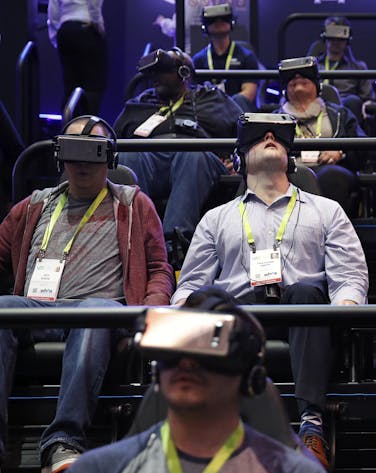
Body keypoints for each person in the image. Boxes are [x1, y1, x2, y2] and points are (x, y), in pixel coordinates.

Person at [171, 113, 369, 469]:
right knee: (213, 302)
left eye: (277, 136)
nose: (268, 136)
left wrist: (347, 306)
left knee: (308, 291)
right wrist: (186, 310)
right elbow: (191, 283)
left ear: (290, 157)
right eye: (259, 137)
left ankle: (311, 424)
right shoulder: (216, 218)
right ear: (239, 157)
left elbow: (349, 277)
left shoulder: (327, 210)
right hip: (239, 314)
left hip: (305, 312)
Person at [0, 115, 174, 472]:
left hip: (99, 312)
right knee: (2, 308)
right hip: (36, 308)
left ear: (109, 158)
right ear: (60, 156)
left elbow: (158, 269)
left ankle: (63, 441)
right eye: (73, 151)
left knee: (96, 311)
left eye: (92, 152)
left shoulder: (133, 205)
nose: (82, 163)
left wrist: (148, 312)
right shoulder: (35, 206)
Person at [67, 286, 324, 473]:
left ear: (248, 376)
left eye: (207, 352)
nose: (187, 363)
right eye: (177, 349)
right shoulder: (99, 468)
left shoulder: (291, 469)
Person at [114, 47, 242, 239]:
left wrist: (239, 160)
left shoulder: (211, 98)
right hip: (150, 158)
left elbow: (244, 131)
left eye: (163, 71)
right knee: (129, 154)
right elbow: (115, 140)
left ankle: (173, 242)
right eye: (153, 73)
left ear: (184, 73)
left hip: (198, 158)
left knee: (191, 154)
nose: (156, 78)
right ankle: (137, 238)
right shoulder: (139, 103)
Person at [275, 56, 366, 217]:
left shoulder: (340, 114)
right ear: (286, 90)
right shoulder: (274, 119)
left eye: (305, 80)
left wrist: (340, 152)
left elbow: (361, 148)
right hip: (288, 169)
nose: (297, 80)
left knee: (332, 176)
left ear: (317, 86)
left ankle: (328, 234)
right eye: (292, 82)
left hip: (329, 167)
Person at [191, 3, 262, 113]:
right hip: (208, 112)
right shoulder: (198, 60)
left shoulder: (246, 56)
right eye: (213, 20)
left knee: (240, 100)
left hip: (237, 112)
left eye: (224, 19)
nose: (219, 22)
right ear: (205, 27)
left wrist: (226, 107)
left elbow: (249, 93)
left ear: (231, 23)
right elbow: (195, 94)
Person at [47, 0, 108, 115]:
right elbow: (94, 3)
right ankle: (88, 130)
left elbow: (53, 11)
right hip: (86, 26)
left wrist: (56, 36)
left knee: (70, 89)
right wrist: (97, 21)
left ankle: (68, 129)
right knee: (92, 87)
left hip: (65, 29)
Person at [315, 16, 375, 122]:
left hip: (347, 109)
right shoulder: (314, 67)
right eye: (332, 36)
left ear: (347, 39)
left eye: (340, 37)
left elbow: (368, 98)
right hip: (318, 107)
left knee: (353, 101)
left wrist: (366, 106)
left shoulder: (358, 67)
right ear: (325, 37)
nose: (336, 41)